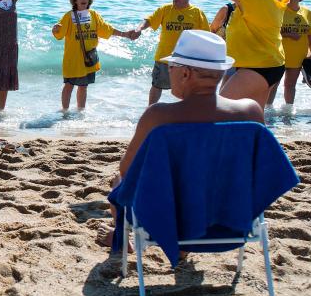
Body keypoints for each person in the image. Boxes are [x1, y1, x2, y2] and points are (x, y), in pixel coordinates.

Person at [97, 30, 264, 247]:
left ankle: (122, 240)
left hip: (171, 224)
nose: (169, 72)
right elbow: (258, 170)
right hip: (232, 224)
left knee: (119, 183)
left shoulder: (158, 116)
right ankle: (183, 250)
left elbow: (126, 169)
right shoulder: (251, 112)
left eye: (171, 67)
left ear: (185, 73)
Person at [167, 0, 288, 108]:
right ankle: (257, 137)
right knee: (252, 118)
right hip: (273, 63)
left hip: (257, 67)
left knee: (217, 108)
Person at [51, 0, 137, 110]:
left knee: (83, 86)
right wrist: (55, 29)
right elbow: (59, 33)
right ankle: (64, 112)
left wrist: (125, 34)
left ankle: (80, 112)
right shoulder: (69, 16)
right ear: (75, 0)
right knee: (69, 85)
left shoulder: (94, 15)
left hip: (87, 59)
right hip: (73, 60)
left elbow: (107, 29)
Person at [132, 0, 210, 105]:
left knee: (186, 91)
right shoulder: (165, 9)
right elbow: (149, 20)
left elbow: (206, 36)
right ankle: (150, 111)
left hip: (186, 61)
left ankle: (185, 115)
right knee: (157, 86)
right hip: (164, 58)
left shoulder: (196, 13)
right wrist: (139, 29)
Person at [267, 0, 311, 106]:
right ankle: (268, 109)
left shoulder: (307, 12)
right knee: (274, 83)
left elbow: (310, 35)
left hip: (298, 55)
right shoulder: (279, 10)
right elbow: (269, 30)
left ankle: (288, 111)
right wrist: (287, 34)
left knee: (290, 85)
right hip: (279, 53)